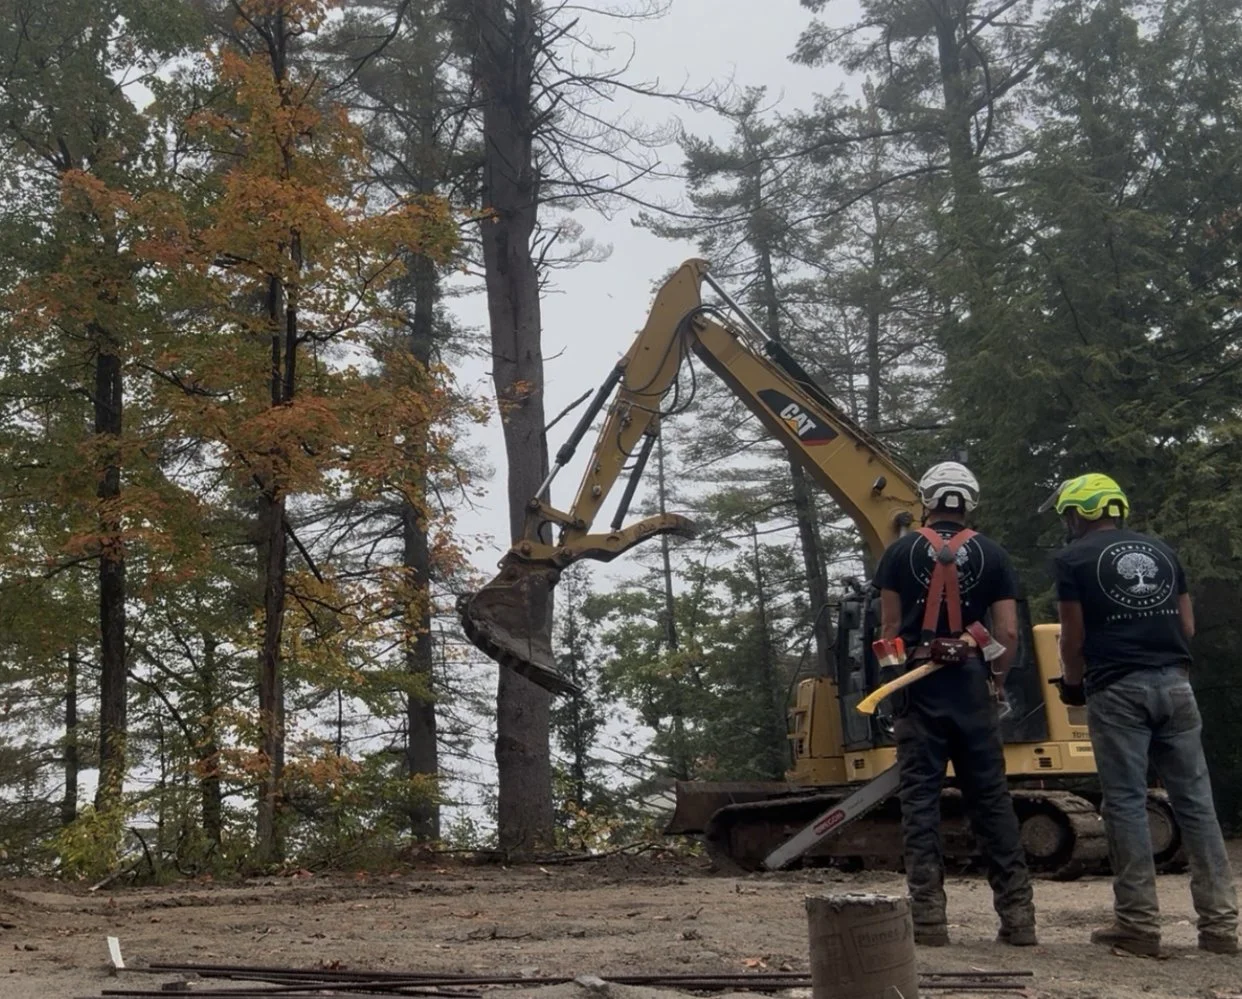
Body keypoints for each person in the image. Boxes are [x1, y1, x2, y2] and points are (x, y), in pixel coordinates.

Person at [1046, 473, 1238, 957]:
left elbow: (1072, 637)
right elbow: (1188, 625)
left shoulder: (1071, 560)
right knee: (1196, 803)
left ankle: (1139, 926)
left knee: (1127, 803)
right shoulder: (1163, 552)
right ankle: (1220, 927)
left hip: (1116, 689)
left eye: (1069, 514)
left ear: (1081, 513)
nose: (1068, 523)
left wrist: (1072, 685)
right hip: (1176, 684)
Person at [875, 460, 1037, 947]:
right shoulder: (994, 554)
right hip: (971, 686)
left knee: (920, 802)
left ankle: (928, 919)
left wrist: (896, 686)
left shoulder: (898, 553)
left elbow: (887, 632)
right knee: (990, 801)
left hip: (920, 687)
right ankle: (1018, 918)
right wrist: (996, 683)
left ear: (926, 500)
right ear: (969, 504)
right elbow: (1007, 631)